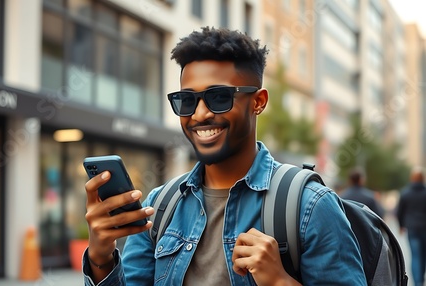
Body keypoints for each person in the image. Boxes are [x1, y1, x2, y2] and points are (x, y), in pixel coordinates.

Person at [83, 27, 365, 285]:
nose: (200, 114)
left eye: (219, 97)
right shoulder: (159, 206)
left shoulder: (310, 206)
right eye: (187, 100)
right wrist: (100, 257)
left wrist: (280, 281)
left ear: (258, 101)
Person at [397, 166, 426, 286]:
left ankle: (418, 282)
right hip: (425, 227)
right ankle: (420, 279)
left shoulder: (405, 193)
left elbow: (400, 211)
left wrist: (401, 225)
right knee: (423, 255)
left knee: (415, 255)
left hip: (412, 228)